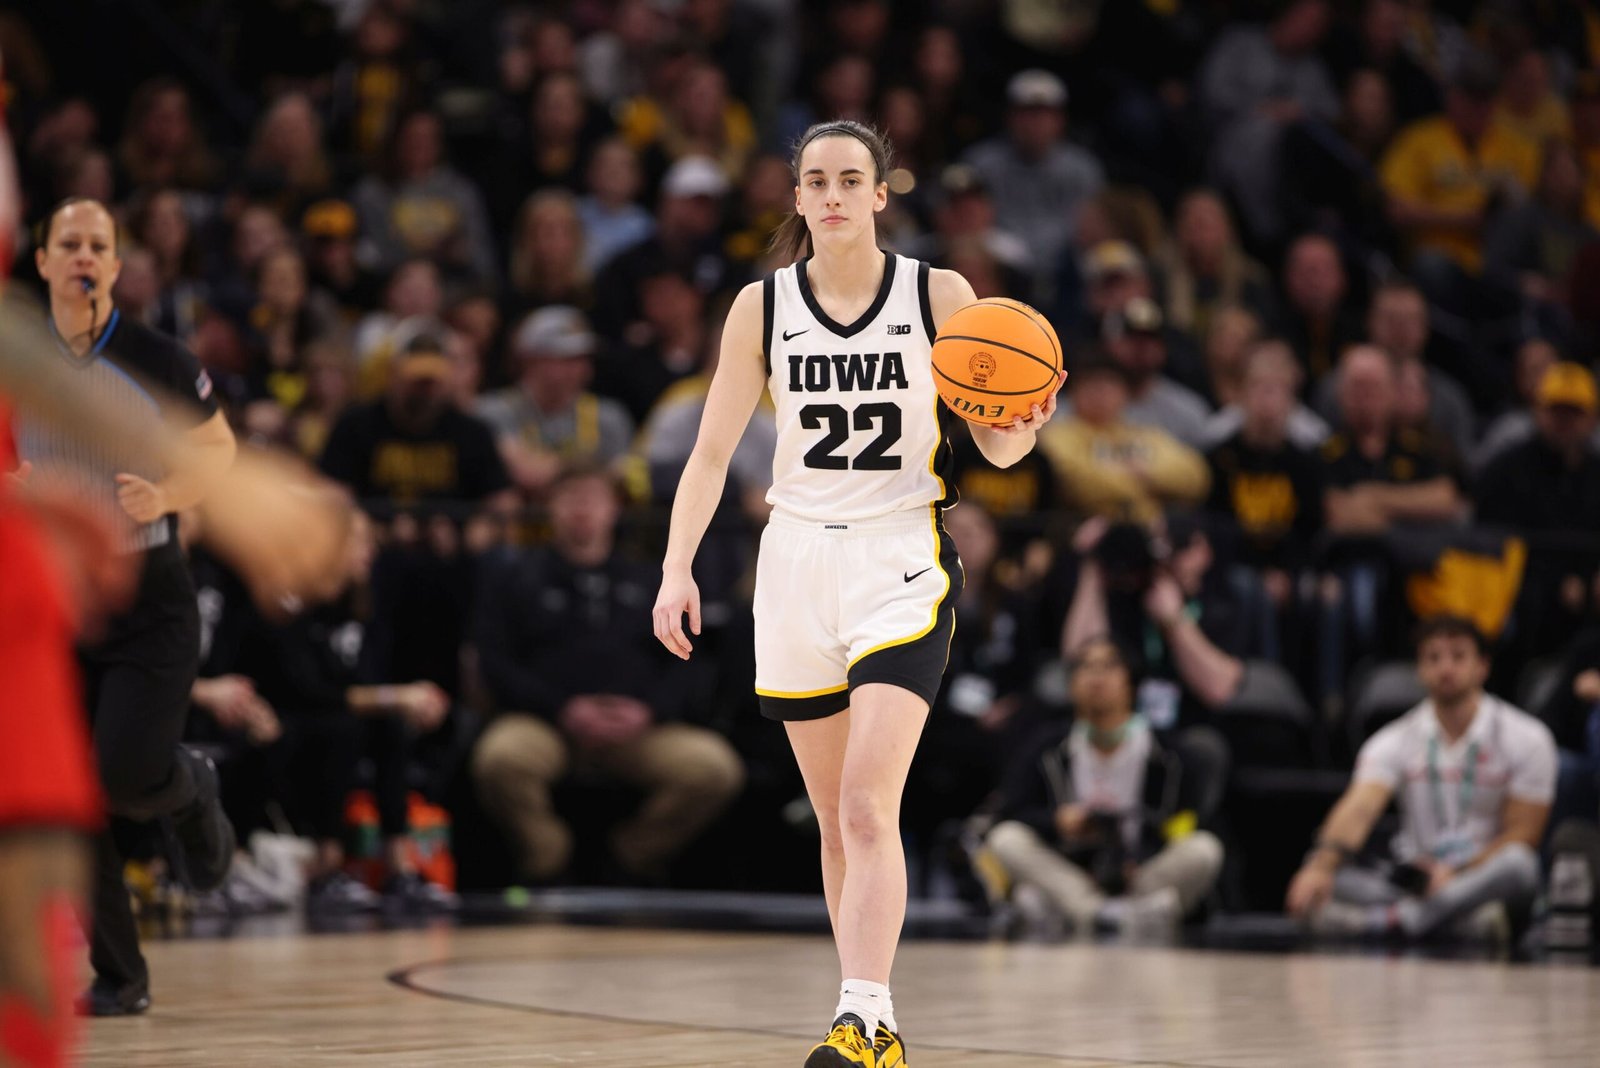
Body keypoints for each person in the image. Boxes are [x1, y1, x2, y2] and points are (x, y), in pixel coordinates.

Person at [652, 120, 1061, 1068]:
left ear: (881, 195)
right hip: (793, 562)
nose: (833, 194)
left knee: (874, 808)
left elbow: (995, 443)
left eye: (851, 179)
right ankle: (865, 1016)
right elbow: (710, 454)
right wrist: (676, 568)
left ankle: (866, 1018)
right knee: (838, 818)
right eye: (815, 180)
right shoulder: (760, 308)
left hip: (899, 561)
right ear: (796, 198)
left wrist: (1026, 422)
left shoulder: (940, 293)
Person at [15, 197, 239, 1016]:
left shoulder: (159, 358)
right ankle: (119, 976)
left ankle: (187, 786)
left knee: (119, 773)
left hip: (149, 599)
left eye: (97, 246)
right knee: (62, 795)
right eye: (67, 243)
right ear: (40, 261)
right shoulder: (17, 362)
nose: (82, 257)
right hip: (56, 609)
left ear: (114, 266)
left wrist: (167, 494)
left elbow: (221, 451)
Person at [473, 465, 744, 886]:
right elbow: (494, 661)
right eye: (570, 497)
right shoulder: (517, 577)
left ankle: (629, 858)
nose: (582, 509)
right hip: (547, 723)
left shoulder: (651, 577)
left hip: (636, 727)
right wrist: (561, 708)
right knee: (501, 759)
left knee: (713, 768)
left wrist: (649, 711)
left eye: (594, 498)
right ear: (550, 508)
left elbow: (689, 660)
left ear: (614, 509)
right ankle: (548, 859)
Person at [1286, 617, 1556, 943]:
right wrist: (1320, 866)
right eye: (1433, 657)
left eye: (1458, 657)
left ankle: (1399, 922)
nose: (1446, 668)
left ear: (1482, 667)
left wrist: (1456, 874)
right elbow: (1359, 807)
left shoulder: (1526, 737)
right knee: (1333, 878)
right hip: (1418, 879)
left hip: (1483, 876)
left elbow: (1523, 835)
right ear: (1419, 669)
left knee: (1520, 865)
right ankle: (1460, 926)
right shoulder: (1396, 738)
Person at [984, 638, 1224, 937]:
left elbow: (1187, 821)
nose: (1097, 677)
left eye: (1109, 666)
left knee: (1204, 849)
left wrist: (1142, 856)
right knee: (1006, 839)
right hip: (1070, 868)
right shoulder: (1047, 748)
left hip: (1140, 874)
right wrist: (1057, 822)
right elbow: (1013, 811)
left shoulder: (1168, 755)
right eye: (1086, 667)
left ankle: (1081, 911)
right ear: (1071, 684)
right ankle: (1100, 912)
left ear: (1131, 683)